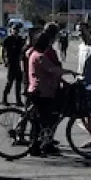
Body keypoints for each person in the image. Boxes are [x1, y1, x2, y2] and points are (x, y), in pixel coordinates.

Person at [26, 28, 64, 157]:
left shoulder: (34, 53)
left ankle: (39, 144)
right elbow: (52, 69)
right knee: (41, 120)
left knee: (39, 120)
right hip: (41, 91)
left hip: (41, 90)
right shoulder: (39, 56)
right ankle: (35, 146)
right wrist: (70, 72)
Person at [0, 26, 25, 106]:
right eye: (14, 29)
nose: (16, 31)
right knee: (9, 82)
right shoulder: (7, 39)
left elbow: (23, 50)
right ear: (11, 30)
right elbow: (2, 50)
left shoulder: (20, 40)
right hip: (11, 62)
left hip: (18, 63)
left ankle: (18, 100)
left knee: (18, 83)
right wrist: (4, 60)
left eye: (17, 30)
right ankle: (4, 99)